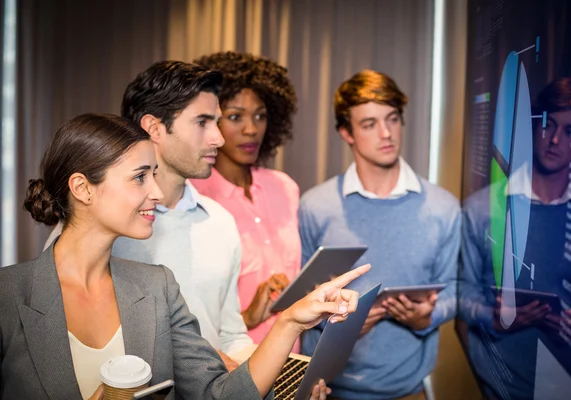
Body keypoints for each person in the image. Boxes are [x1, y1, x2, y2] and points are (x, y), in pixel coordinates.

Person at [0, 113, 369, 399]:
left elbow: (220, 395)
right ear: (83, 188)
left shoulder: (158, 287)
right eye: (140, 177)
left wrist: (291, 321)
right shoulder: (8, 295)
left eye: (155, 175)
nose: (157, 192)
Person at [45, 62, 253, 369]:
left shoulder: (220, 222)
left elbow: (232, 338)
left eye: (218, 122)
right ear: (153, 128)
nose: (219, 139)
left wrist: (271, 375)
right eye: (202, 122)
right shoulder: (93, 229)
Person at [298, 70, 461, 400]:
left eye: (392, 118)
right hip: (324, 391)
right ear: (346, 132)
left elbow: (456, 287)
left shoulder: (443, 207)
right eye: (369, 124)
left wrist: (428, 317)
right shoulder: (315, 205)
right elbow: (296, 296)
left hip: (407, 391)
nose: (386, 133)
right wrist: (333, 320)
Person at [459, 77, 571, 399]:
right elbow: (462, 290)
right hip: (499, 384)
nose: (554, 140)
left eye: (570, 131)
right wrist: (490, 316)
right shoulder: (481, 208)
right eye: (548, 125)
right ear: (534, 126)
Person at [190, 52, 301, 349]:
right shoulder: (195, 198)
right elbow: (187, 322)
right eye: (236, 116)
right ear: (210, 121)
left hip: (293, 359)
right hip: (231, 366)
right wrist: (248, 317)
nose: (251, 129)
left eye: (260, 115)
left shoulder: (285, 188)